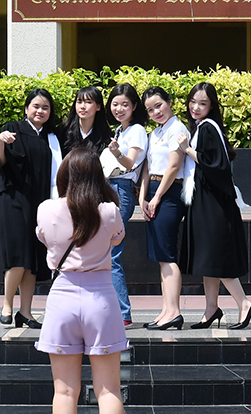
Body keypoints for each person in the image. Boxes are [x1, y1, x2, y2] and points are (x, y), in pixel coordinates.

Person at [34, 148, 133, 414]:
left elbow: (43, 237)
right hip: (101, 298)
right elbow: (117, 238)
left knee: (64, 392)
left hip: (62, 299)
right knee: (109, 391)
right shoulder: (109, 210)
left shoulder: (47, 208)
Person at [176, 82, 251, 330]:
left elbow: (216, 166)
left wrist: (187, 150)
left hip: (213, 204)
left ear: (211, 106)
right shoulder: (204, 128)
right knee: (207, 258)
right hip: (205, 202)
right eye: (193, 102)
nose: (196, 107)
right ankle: (211, 308)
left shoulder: (208, 129)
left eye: (202, 103)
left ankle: (244, 304)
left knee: (215, 257)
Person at [0, 88, 61, 329]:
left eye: (45, 107)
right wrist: (0, 141)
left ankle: (26, 312)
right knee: (18, 256)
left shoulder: (50, 138)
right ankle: (7, 304)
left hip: (40, 202)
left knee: (33, 257)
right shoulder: (13, 128)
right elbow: (1, 162)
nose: (40, 111)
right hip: (14, 199)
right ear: (26, 108)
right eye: (36, 106)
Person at [139, 86, 189, 331]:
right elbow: (147, 167)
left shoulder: (178, 129)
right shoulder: (155, 133)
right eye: (150, 109)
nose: (155, 112)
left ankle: (175, 312)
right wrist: (142, 196)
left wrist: (157, 197)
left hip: (169, 193)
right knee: (161, 256)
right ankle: (166, 310)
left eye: (158, 105)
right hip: (153, 192)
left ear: (170, 102)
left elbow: (173, 166)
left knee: (167, 254)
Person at [104, 83, 148, 327]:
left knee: (112, 255)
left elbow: (130, 164)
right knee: (107, 253)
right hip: (112, 188)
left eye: (125, 104)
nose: (119, 108)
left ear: (134, 107)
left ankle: (123, 314)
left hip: (121, 190)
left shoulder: (137, 130)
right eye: (115, 104)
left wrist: (116, 152)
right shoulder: (122, 130)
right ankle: (117, 311)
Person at [59, 85, 113, 155]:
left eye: (88, 102)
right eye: (79, 102)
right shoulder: (63, 132)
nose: (82, 106)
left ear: (98, 107)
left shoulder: (105, 137)